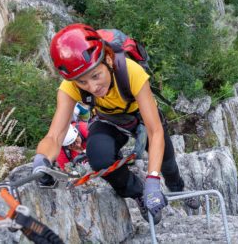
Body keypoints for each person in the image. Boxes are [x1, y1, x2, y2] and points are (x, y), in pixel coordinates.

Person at [32, 23, 199, 224]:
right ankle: (137, 193)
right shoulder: (70, 86)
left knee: (167, 163)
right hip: (108, 119)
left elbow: (154, 132)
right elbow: (54, 136)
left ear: (109, 59)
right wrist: (42, 160)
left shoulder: (131, 72)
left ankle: (177, 187)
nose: (92, 87)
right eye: (82, 82)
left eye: (96, 76)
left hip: (141, 116)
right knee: (99, 158)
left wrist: (153, 180)